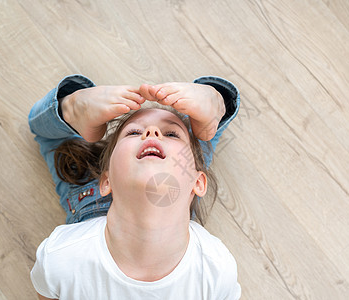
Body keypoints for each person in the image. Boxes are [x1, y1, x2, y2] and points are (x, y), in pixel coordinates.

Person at [29, 74, 241, 299]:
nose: (152, 133)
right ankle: (215, 104)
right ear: (106, 180)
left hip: (93, 205)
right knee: (194, 147)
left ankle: (70, 110)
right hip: (176, 195)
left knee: (57, 138)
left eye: (170, 133)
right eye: (134, 132)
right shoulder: (215, 268)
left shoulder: (62, 258)